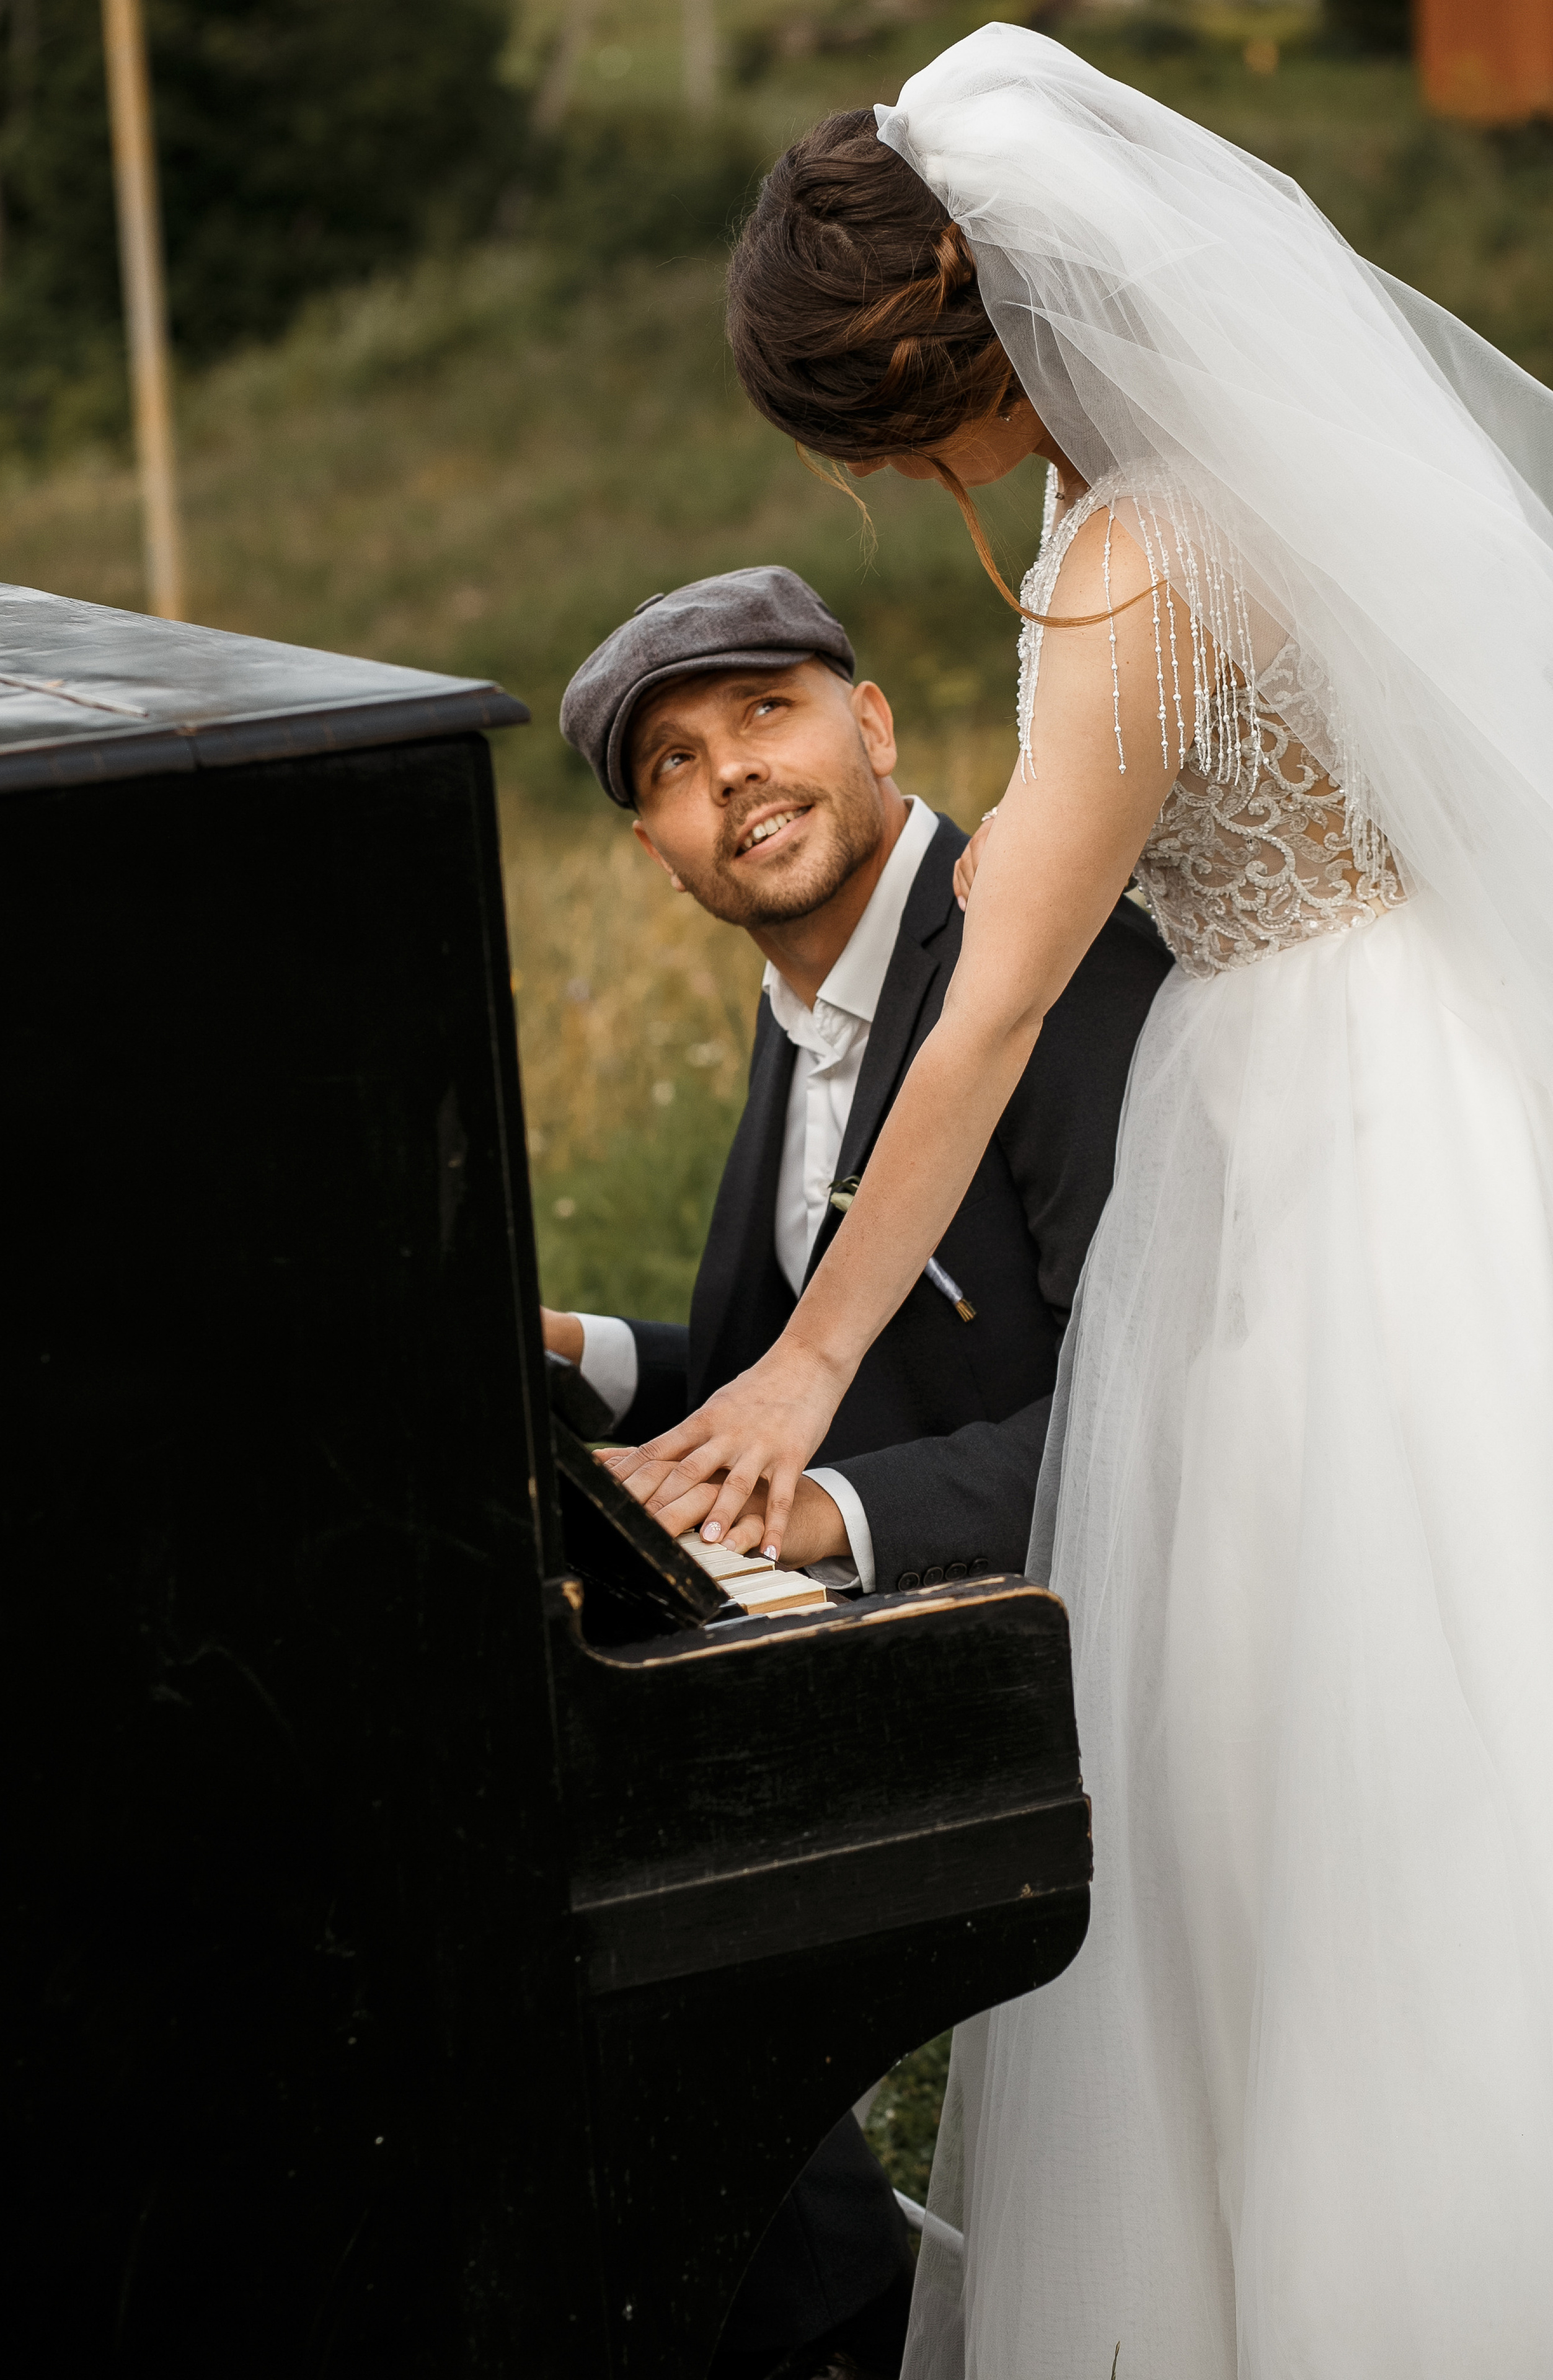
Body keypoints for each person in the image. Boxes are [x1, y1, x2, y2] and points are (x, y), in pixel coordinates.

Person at [608, 29, 1553, 2378]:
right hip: (1409, 1056)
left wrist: (809, 1370)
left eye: (871, 449)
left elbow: (996, 1002)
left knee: (1321, 1734)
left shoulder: (1136, 556)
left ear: (934, 390)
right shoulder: (1230, 478)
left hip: (1319, 1144)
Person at [549, 563, 1169, 2380]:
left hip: (1125, 1643)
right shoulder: (802, 993)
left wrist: (832, 1518)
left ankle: (825, 2307)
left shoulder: (1046, 963)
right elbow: (777, 1380)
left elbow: (1168, 1406)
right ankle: (812, 2294)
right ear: (655, 846)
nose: (731, 773)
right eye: (671, 762)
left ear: (872, 723)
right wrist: (577, 1354)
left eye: (765, 712)